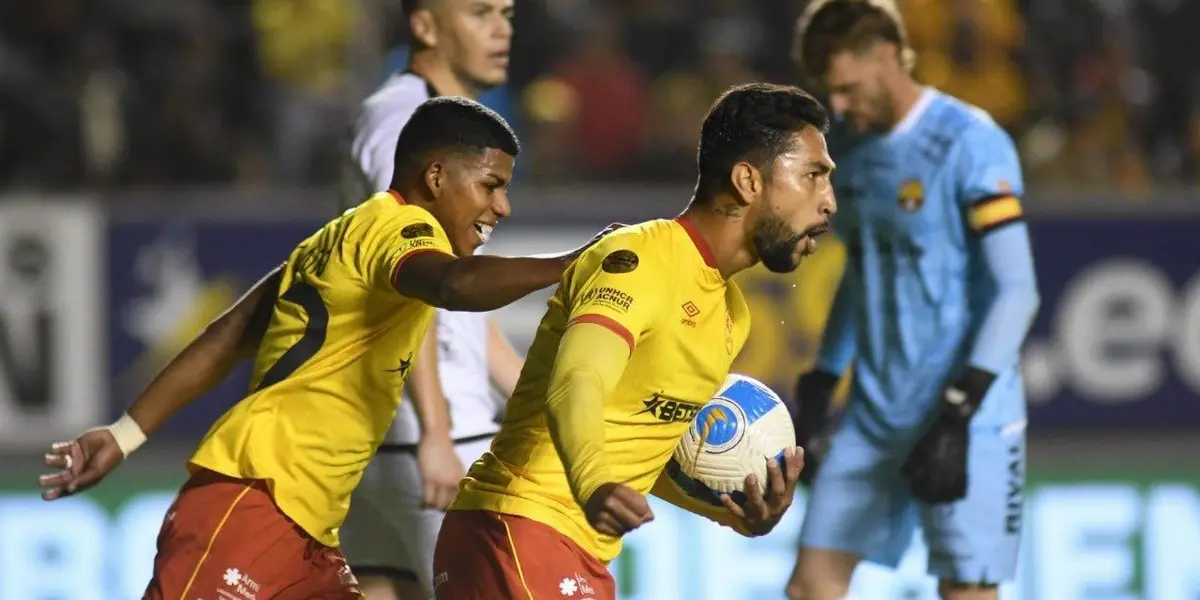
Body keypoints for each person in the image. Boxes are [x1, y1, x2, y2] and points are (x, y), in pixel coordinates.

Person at [36, 97, 608, 600]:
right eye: (491, 185)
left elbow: (230, 334)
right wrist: (569, 264)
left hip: (306, 537)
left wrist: (124, 432)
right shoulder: (404, 231)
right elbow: (453, 285)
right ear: (436, 177)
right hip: (254, 503)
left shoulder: (338, 236)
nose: (502, 207)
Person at [430, 82, 836, 600]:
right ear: (747, 181)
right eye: (813, 176)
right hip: (517, 529)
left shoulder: (732, 312)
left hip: (569, 548)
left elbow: (647, 451)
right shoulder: (640, 258)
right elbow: (576, 380)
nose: (829, 202)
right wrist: (594, 483)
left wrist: (735, 514)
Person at [785, 2, 1041, 600]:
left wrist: (961, 408)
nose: (839, 106)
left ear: (885, 58)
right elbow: (866, 265)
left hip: (965, 416)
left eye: (847, 88)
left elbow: (1017, 289)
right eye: (831, 92)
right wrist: (825, 375)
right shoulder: (846, 151)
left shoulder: (972, 142)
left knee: (967, 592)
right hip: (876, 414)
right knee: (811, 586)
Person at [337, 1, 524, 598]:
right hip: (430, 440)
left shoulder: (443, 123)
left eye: (507, 12)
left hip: (391, 439)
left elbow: (463, 319)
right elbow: (406, 280)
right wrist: (434, 434)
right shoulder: (399, 121)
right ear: (424, 26)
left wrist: (539, 400)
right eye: (479, 13)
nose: (501, 28)